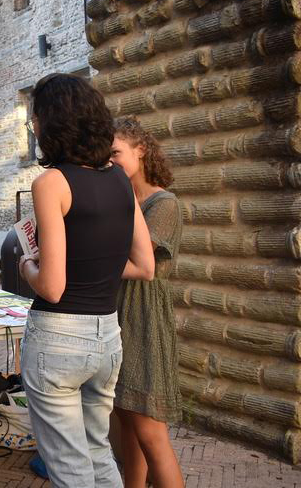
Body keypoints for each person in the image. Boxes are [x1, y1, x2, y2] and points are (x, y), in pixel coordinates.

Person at [17, 73, 154, 488]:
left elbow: (52, 286)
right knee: (97, 451)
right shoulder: (117, 177)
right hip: (107, 336)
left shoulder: (51, 183)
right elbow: (145, 265)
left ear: (50, 123)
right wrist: (96, 270)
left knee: (69, 466)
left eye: (34, 119)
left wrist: (27, 266)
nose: (34, 127)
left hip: (58, 336)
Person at [109, 117, 184, 488]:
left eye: (116, 154)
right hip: (116, 317)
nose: (110, 162)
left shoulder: (164, 204)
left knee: (151, 433)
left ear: (141, 150)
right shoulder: (124, 200)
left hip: (144, 320)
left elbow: (140, 260)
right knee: (126, 426)